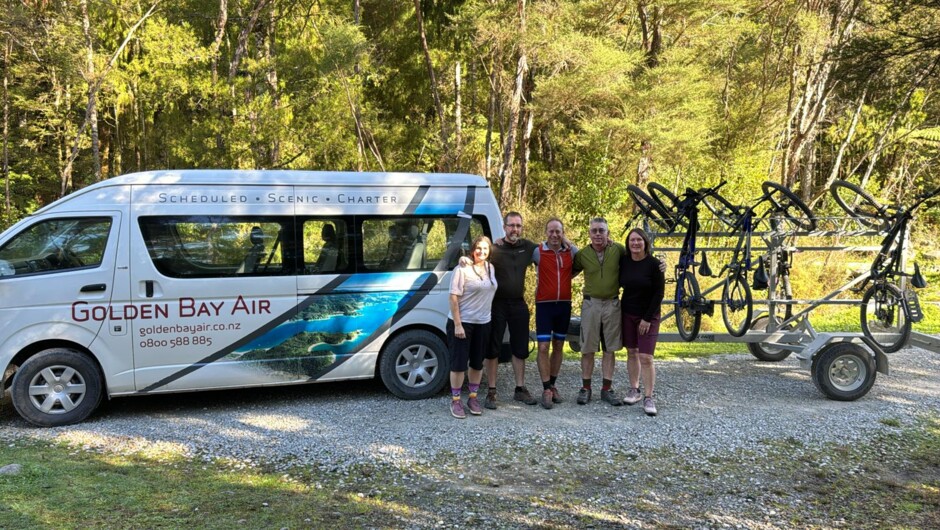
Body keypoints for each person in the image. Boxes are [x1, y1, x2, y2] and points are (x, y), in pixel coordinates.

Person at [483, 212, 540, 409]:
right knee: (493, 348)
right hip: (496, 304)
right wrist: (465, 261)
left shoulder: (529, 247)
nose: (515, 229)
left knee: (520, 348)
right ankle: (491, 391)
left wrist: (566, 241)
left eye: (518, 226)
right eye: (511, 225)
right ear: (504, 227)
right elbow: (476, 257)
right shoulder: (494, 248)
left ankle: (520, 389)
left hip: (518, 303)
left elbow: (550, 252)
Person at [572, 217, 626, 406]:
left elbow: (639, 257)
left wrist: (660, 265)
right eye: (594, 230)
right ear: (589, 233)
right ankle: (586, 388)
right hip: (591, 304)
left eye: (601, 230)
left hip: (612, 304)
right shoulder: (583, 255)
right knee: (587, 348)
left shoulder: (618, 250)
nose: (597, 234)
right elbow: (567, 271)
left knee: (610, 349)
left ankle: (606, 389)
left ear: (607, 233)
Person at [447, 236, 498, 419]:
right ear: (472, 250)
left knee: (477, 363)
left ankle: (473, 398)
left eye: (485, 249)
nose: (481, 252)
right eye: (478, 248)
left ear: (489, 251)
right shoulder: (462, 269)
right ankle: (456, 400)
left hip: (483, 323)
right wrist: (458, 324)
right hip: (463, 323)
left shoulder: (490, 268)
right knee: (459, 364)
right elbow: (453, 298)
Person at [619, 228, 665, 416]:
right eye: (632, 240)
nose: (635, 243)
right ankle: (634, 389)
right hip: (628, 312)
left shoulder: (655, 265)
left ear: (645, 242)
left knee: (646, 357)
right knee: (631, 352)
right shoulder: (624, 261)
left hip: (649, 315)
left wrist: (646, 318)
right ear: (627, 244)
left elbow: (659, 293)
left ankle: (648, 397)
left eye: (639, 240)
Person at [532, 218, 577, 409]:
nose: (555, 235)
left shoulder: (571, 251)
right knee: (543, 347)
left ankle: (552, 385)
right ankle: (545, 389)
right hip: (544, 305)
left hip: (564, 305)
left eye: (558, 231)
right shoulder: (538, 251)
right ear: (546, 232)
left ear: (563, 232)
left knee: (558, 345)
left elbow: (585, 260)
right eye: (551, 231)